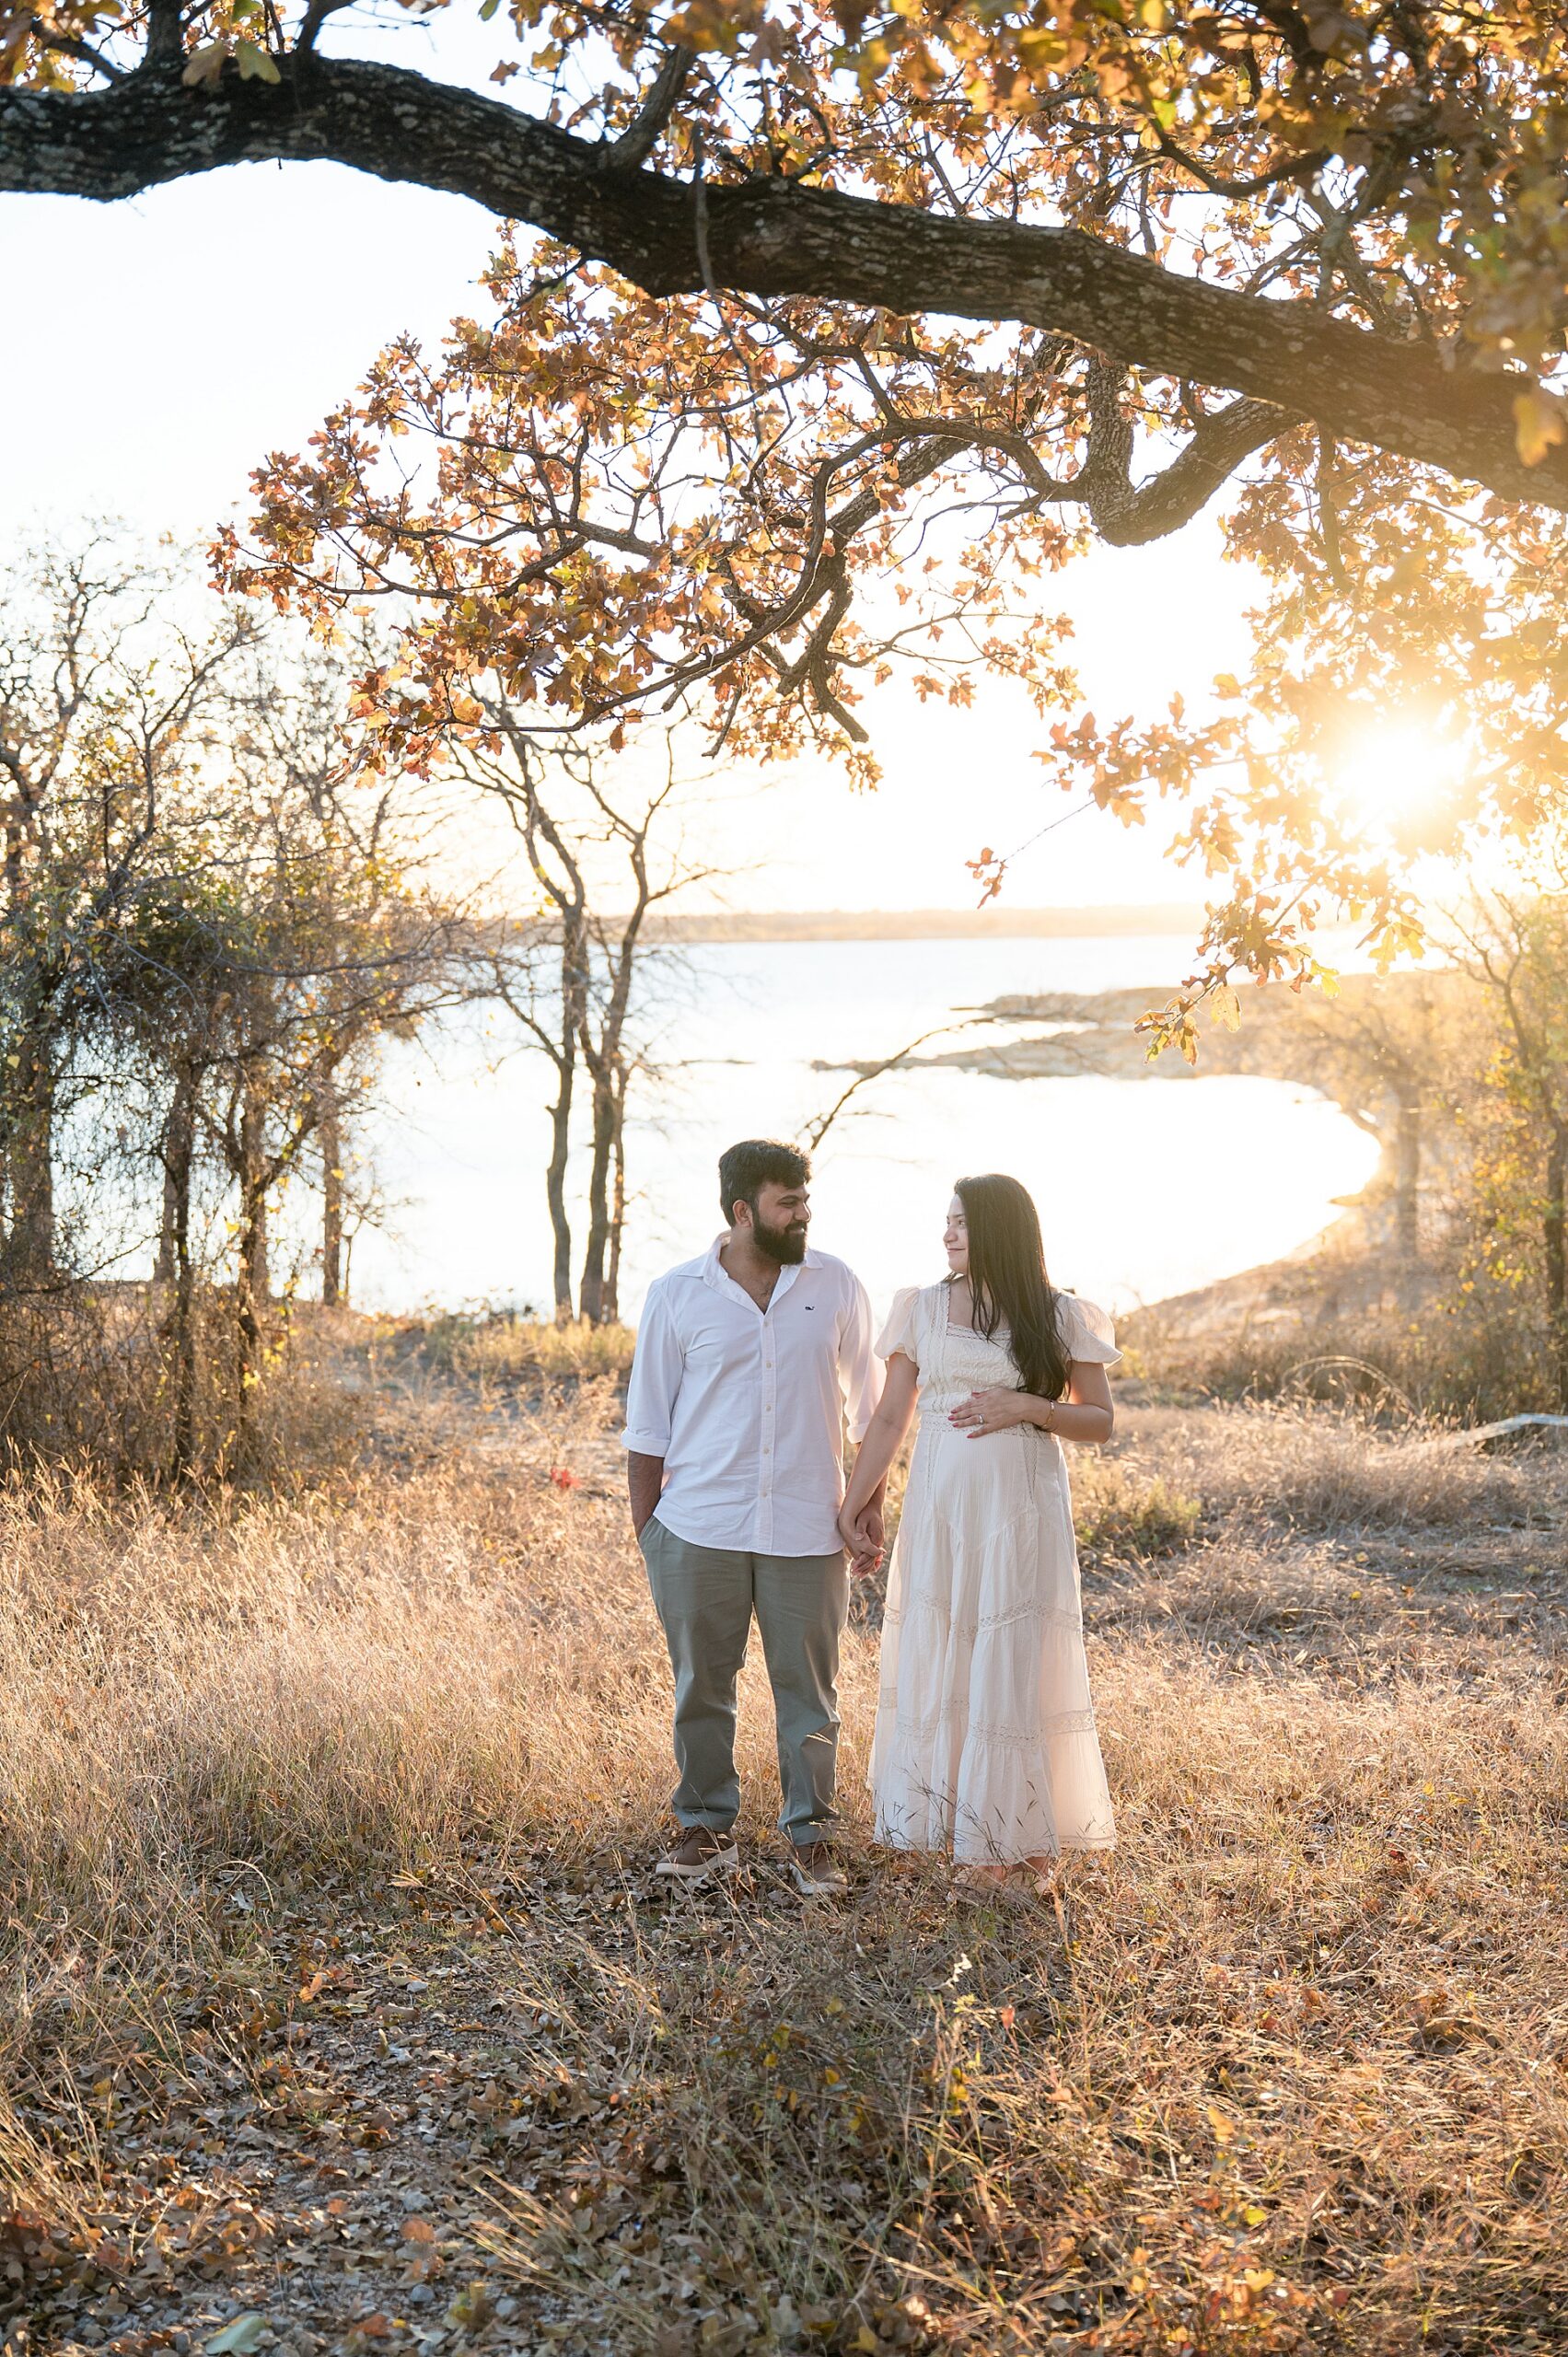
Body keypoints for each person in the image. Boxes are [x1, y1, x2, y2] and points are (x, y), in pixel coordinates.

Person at [838, 1173, 1119, 1898]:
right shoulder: (921, 1308)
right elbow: (890, 1418)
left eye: (961, 1222)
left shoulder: (1057, 1315)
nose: (947, 1234)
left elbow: (1099, 1421)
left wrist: (1028, 1404)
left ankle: (1015, 1845)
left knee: (1010, 1659)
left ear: (999, 1228)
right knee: (947, 1653)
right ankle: (959, 1837)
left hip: (1020, 1513)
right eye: (946, 1221)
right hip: (941, 1513)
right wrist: (856, 1498)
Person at [623, 1138, 883, 1895]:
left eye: (805, 1199)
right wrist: (650, 1535)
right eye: (787, 1202)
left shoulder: (834, 1284)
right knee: (701, 1683)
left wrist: (867, 1508)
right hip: (697, 1525)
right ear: (742, 1212)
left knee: (809, 1689)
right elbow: (647, 1430)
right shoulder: (675, 1293)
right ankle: (705, 1828)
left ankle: (813, 1836)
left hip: (806, 1527)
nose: (804, 1213)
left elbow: (872, 1412)